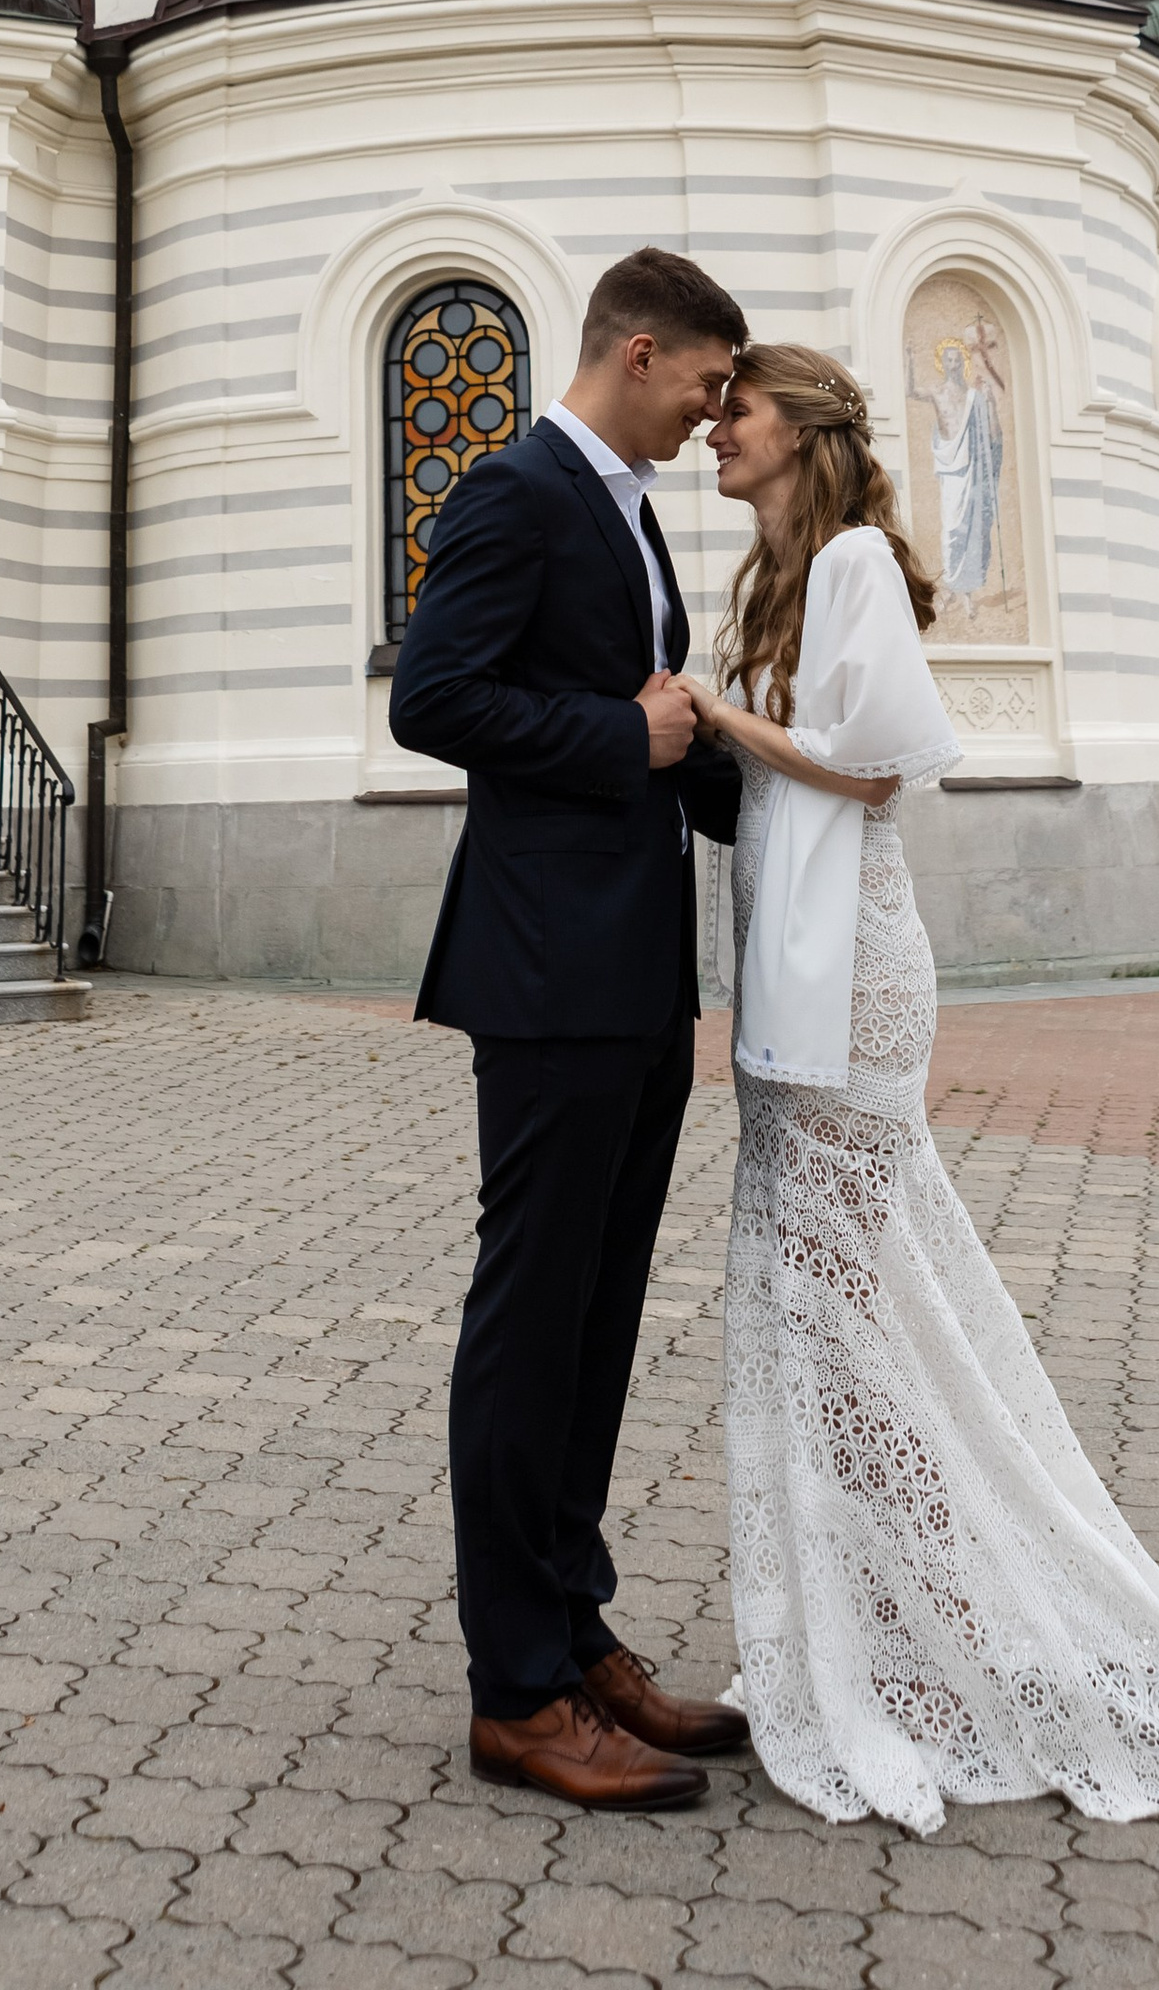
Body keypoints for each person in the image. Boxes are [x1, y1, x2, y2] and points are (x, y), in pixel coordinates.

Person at [688, 342, 1159, 1832]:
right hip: (793, 966)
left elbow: (884, 762)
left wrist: (712, 717)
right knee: (831, 1301)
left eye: (740, 409)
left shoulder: (845, 560)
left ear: (807, 431)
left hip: (849, 974)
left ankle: (958, 1610)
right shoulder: (778, 574)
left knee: (854, 1291)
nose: (717, 430)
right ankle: (903, 1608)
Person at [390, 246, 755, 1811]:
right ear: (640, 351)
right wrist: (624, 733)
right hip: (545, 971)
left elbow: (671, 721)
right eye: (709, 383)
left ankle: (577, 1626)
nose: (717, 411)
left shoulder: (631, 509)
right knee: (532, 1316)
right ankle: (514, 1691)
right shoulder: (516, 488)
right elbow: (434, 699)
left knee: (601, 1315)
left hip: (634, 969)